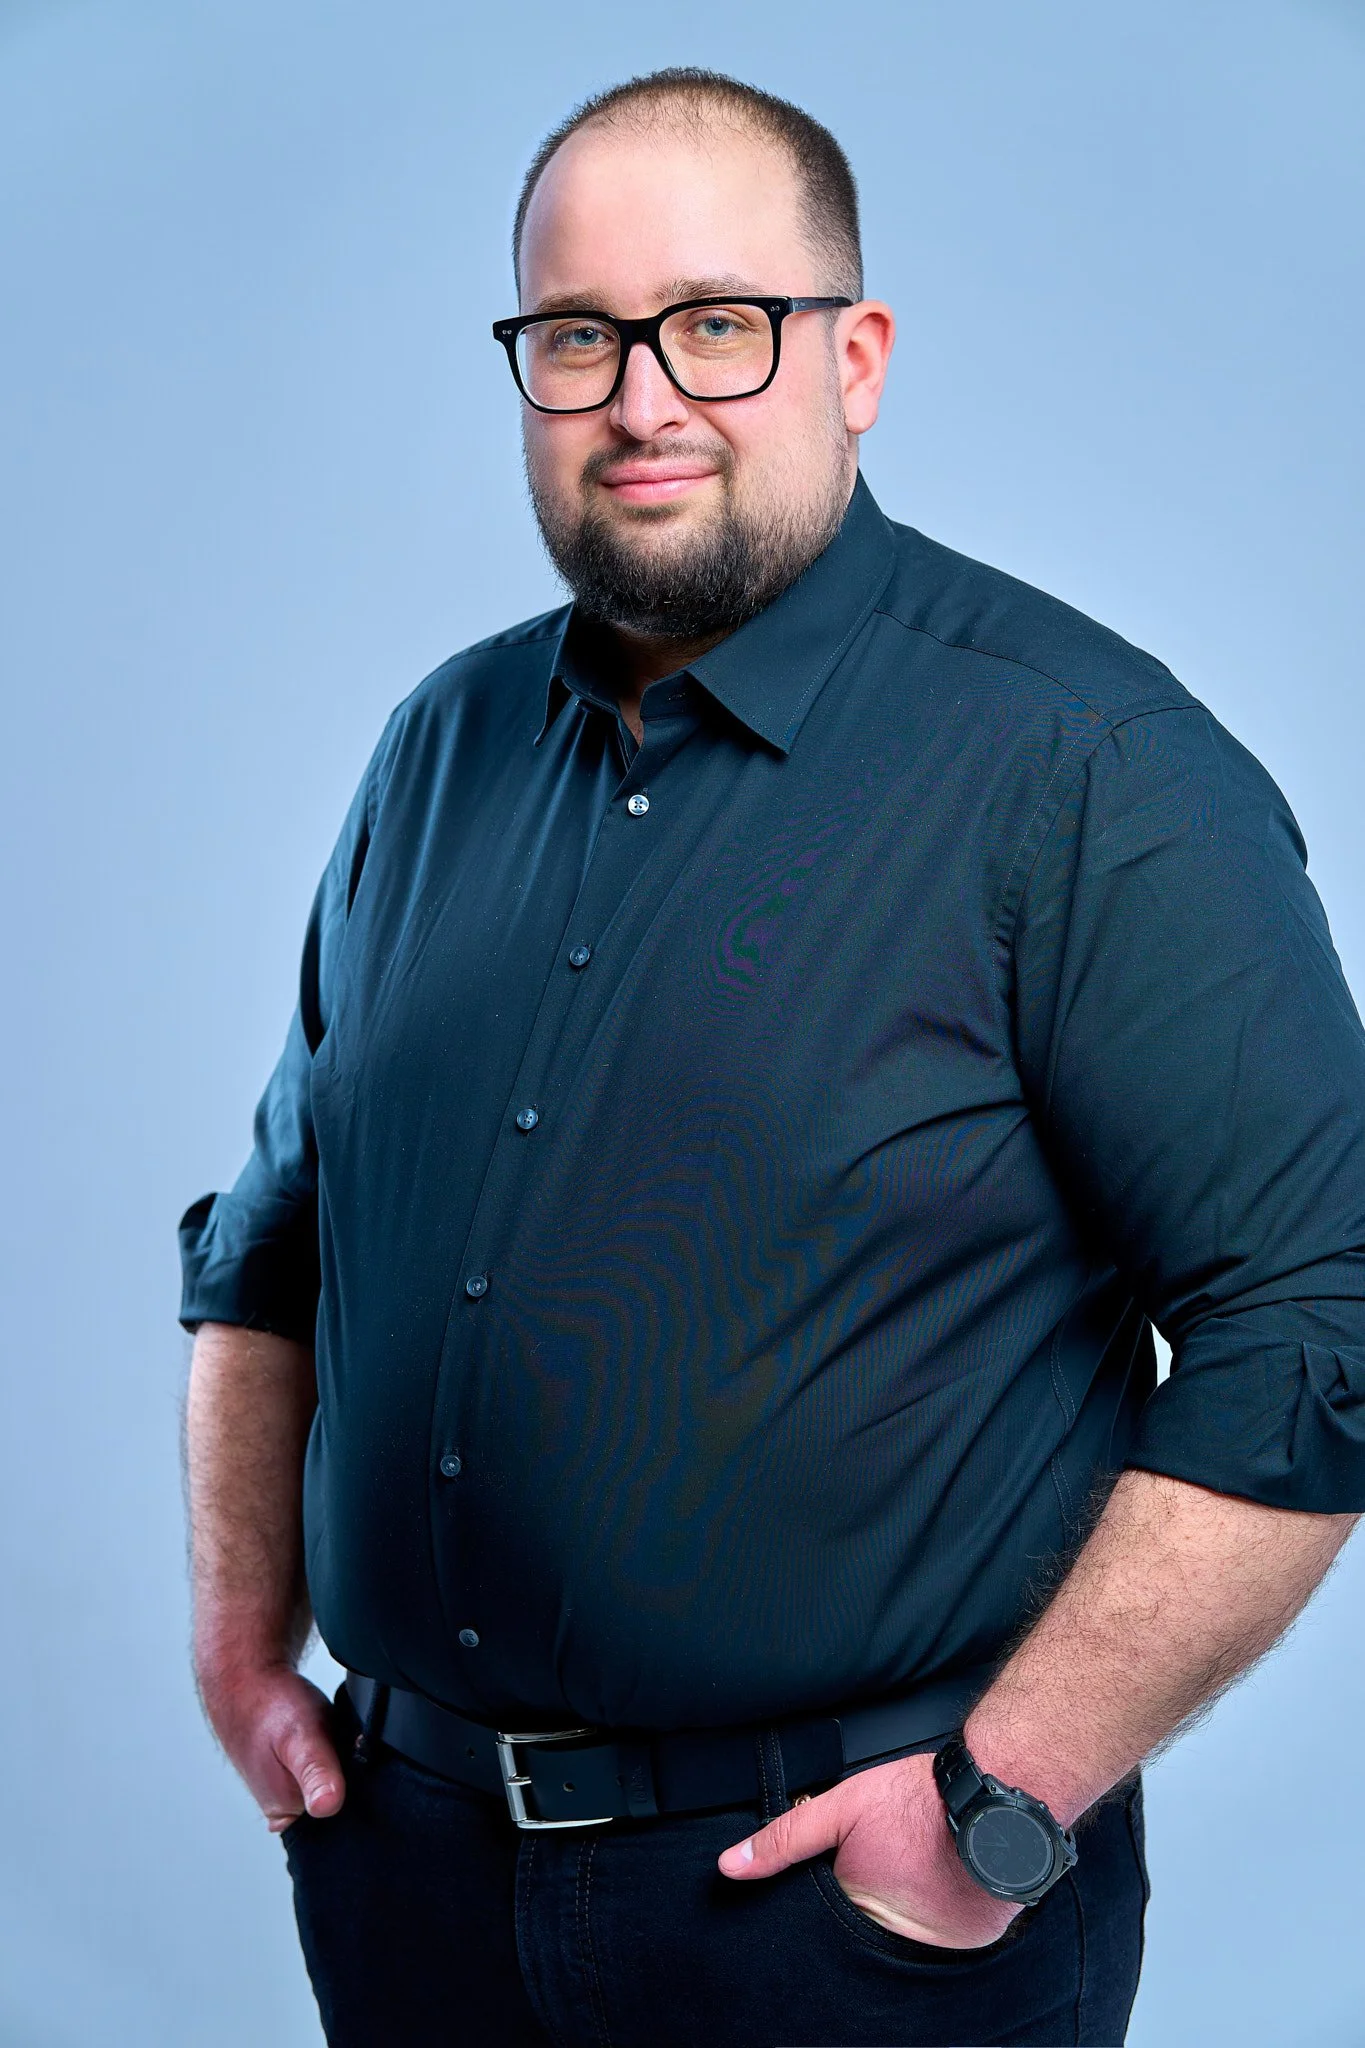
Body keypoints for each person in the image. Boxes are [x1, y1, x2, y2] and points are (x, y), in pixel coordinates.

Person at [180, 67, 1365, 2048]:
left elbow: (1321, 1317)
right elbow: (276, 1232)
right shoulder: (435, 753)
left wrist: (995, 1807)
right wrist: (238, 1636)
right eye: (580, 339)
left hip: (838, 1927)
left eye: (716, 325)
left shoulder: (1082, 769)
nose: (643, 399)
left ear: (857, 356)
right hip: (410, 1892)